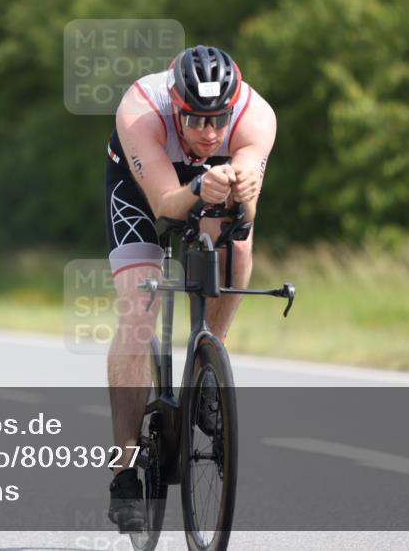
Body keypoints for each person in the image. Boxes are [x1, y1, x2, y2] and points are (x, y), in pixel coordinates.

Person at [104, 46, 277, 531]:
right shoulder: (140, 108)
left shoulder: (257, 117)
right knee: (138, 316)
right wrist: (200, 187)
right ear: (174, 104)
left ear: (233, 108)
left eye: (218, 119)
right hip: (142, 187)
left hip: (212, 183)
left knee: (237, 247)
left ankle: (208, 361)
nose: (209, 132)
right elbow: (165, 203)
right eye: (195, 119)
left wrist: (243, 194)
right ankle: (123, 473)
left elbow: (246, 217)